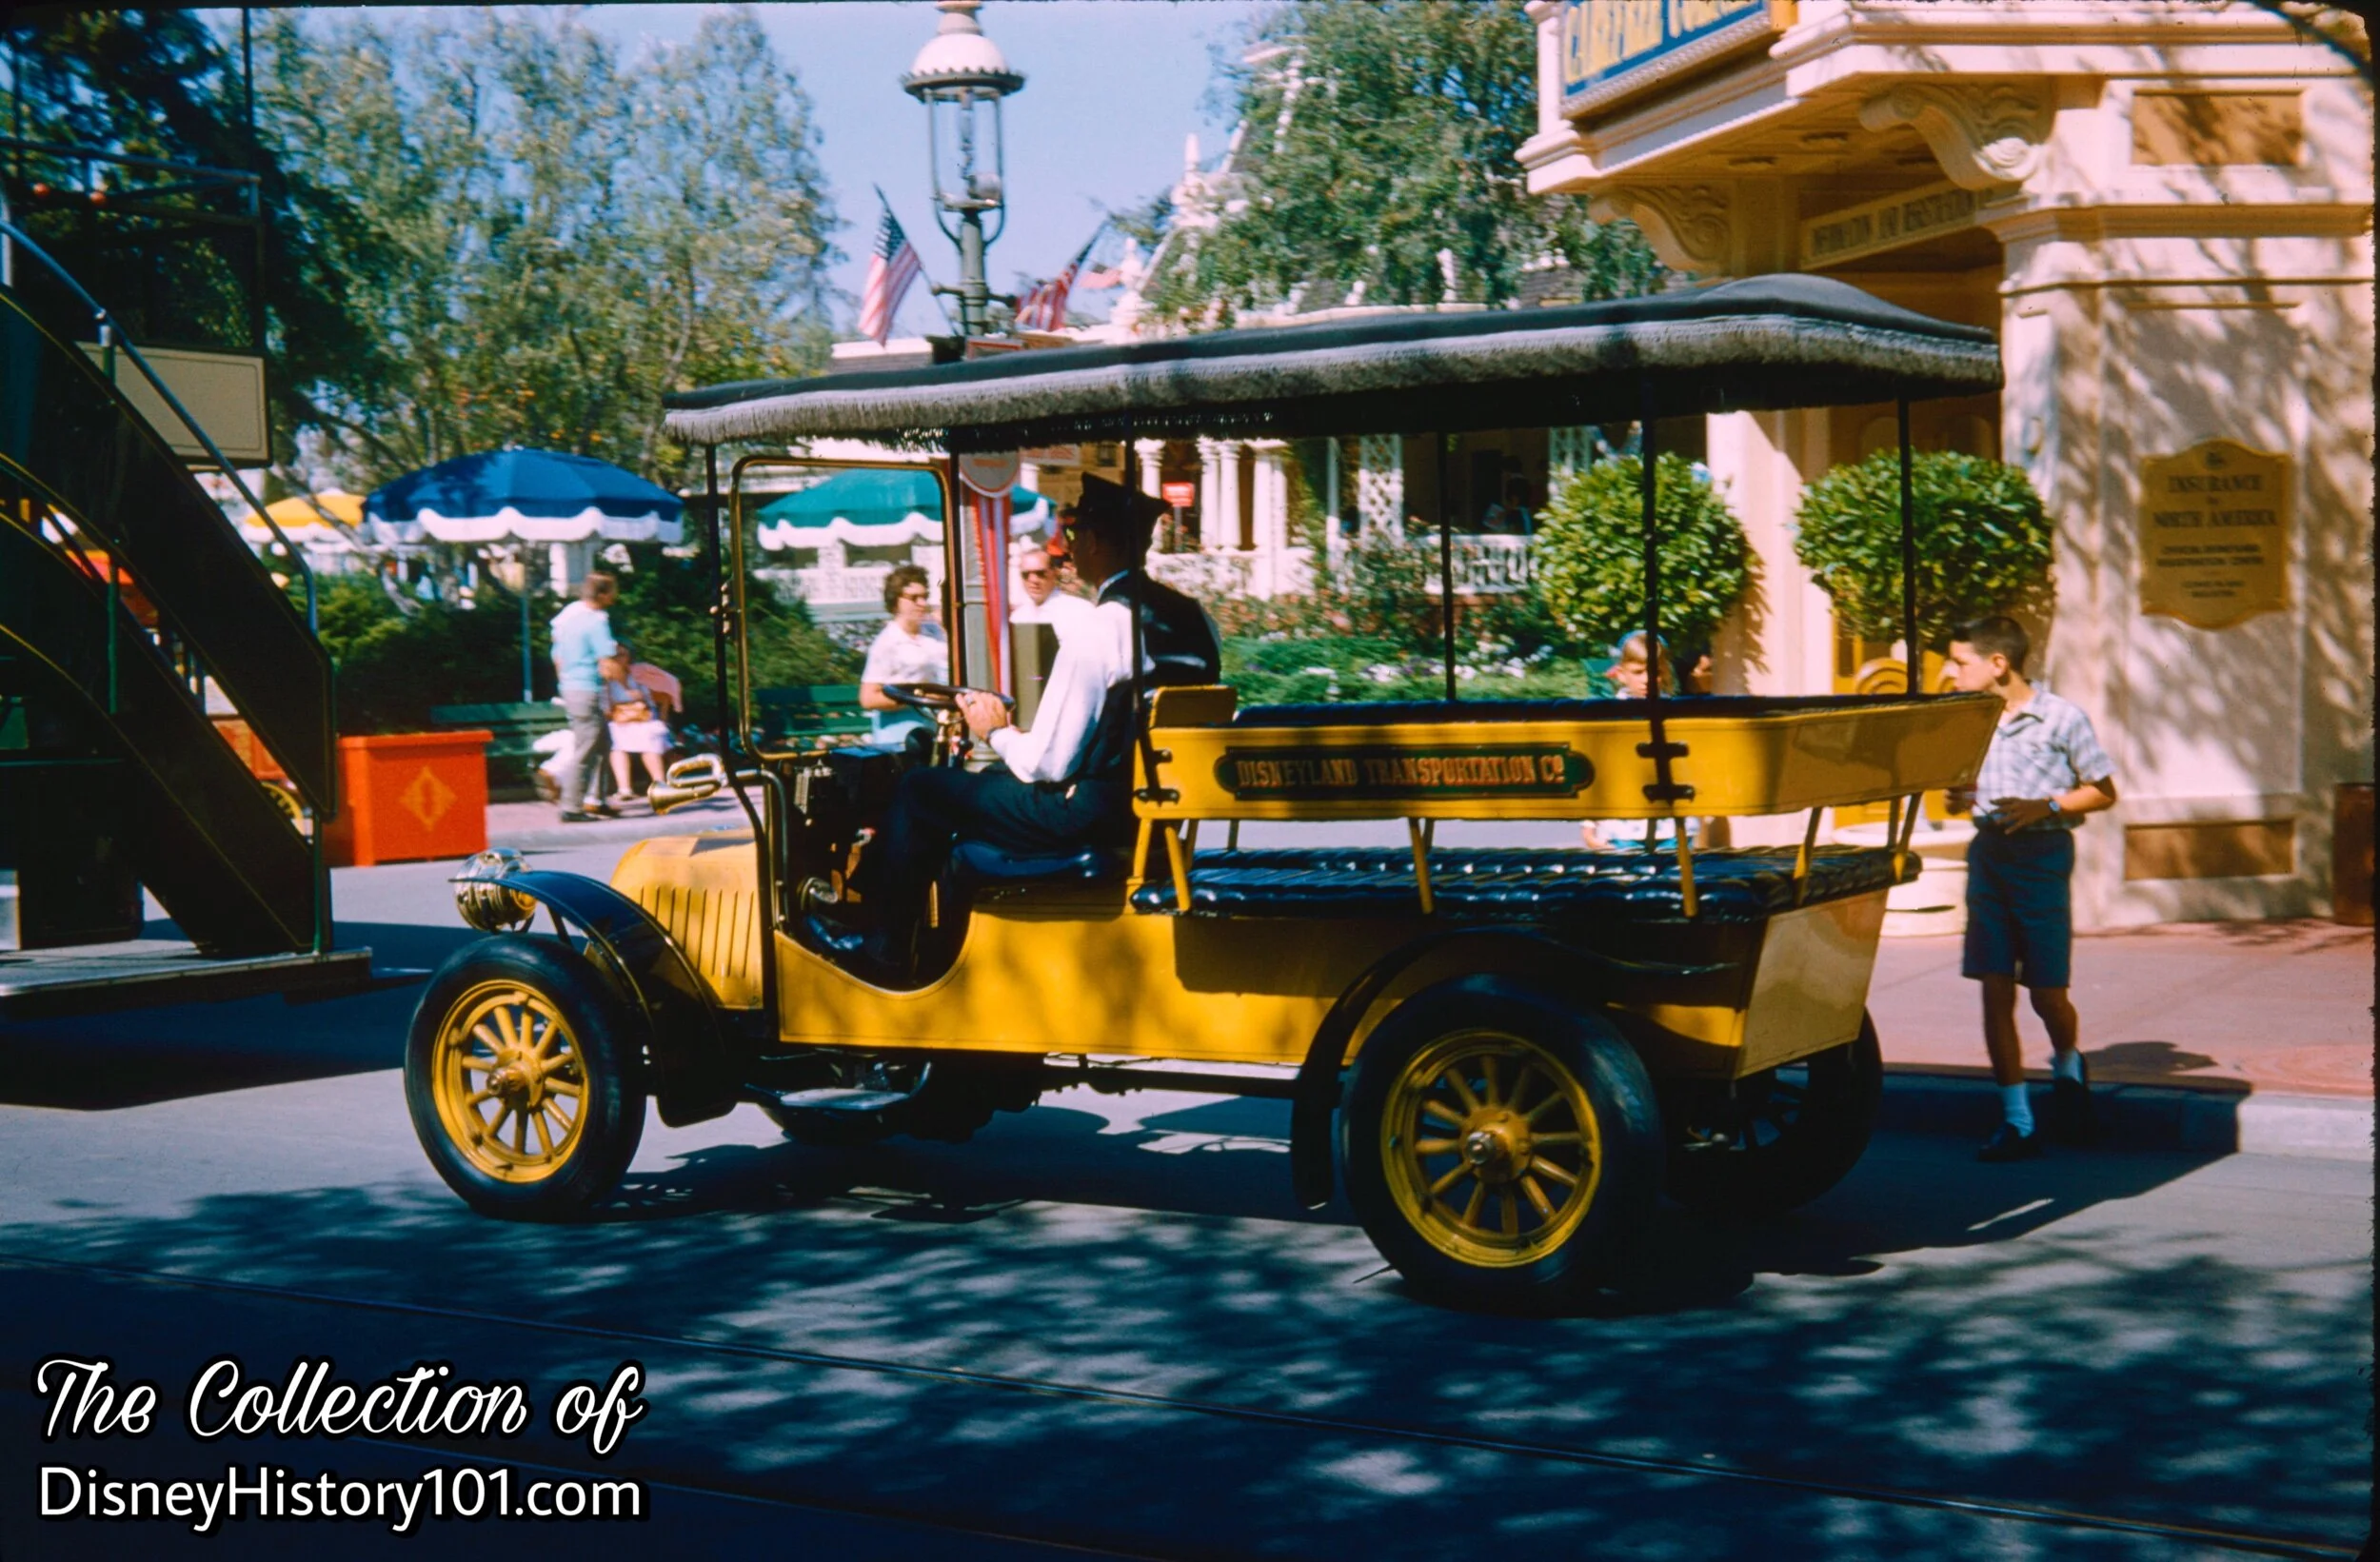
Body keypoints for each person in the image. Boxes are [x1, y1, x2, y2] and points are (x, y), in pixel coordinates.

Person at [831, 474, 1218, 983]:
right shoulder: (1195, 620)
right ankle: (932, 944)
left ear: (1096, 543)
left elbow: (1047, 763)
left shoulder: (1100, 629)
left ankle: (884, 950)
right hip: (1146, 809)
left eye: (1076, 538)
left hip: (1085, 813)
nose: (1070, 549)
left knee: (922, 789)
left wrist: (994, 730)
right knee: (982, 787)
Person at [1945, 614, 2118, 1162]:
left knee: (2046, 993)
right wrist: (1957, 798)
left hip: (2043, 859)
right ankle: (2017, 1120)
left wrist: (2045, 805)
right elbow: (1958, 793)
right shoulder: (1967, 720)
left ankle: (2067, 1060)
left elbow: (2103, 791)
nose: (1951, 673)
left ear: (1998, 663)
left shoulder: (2062, 718)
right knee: (1994, 988)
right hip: (1990, 859)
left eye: (1960, 662)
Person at [1582, 631, 1687, 852]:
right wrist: (1589, 825)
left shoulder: (1677, 714)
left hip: (1671, 827)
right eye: (1638, 672)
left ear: (1665, 673)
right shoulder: (1610, 717)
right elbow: (1599, 770)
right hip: (1621, 828)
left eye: (1654, 672)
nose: (1647, 680)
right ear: (1621, 674)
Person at [548, 570, 619, 822]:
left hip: (573, 688)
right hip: (588, 688)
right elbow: (606, 661)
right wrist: (613, 695)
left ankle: (596, 800)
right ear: (602, 593)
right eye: (612, 591)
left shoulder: (568, 618)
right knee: (587, 748)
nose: (615, 596)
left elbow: (557, 657)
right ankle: (572, 807)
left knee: (602, 744)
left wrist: (565, 684)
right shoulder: (596, 620)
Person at [858, 564, 949, 736]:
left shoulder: (934, 632)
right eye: (914, 598)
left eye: (925, 596)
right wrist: (920, 697)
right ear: (895, 601)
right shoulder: (887, 643)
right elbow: (868, 698)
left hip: (934, 727)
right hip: (900, 732)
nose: (922, 603)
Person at [601, 648, 676, 806]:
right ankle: (625, 789)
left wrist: (661, 715)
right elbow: (606, 707)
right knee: (617, 744)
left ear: (629, 657)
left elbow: (669, 685)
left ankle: (660, 784)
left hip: (643, 718)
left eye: (622, 654)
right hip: (619, 720)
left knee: (648, 741)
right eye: (615, 655)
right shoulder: (606, 678)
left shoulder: (640, 674)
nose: (618, 658)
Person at [1009, 544, 1094, 640]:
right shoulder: (1018, 617)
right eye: (1026, 574)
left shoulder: (1080, 611)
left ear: (1054, 573)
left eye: (1040, 573)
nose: (1033, 579)